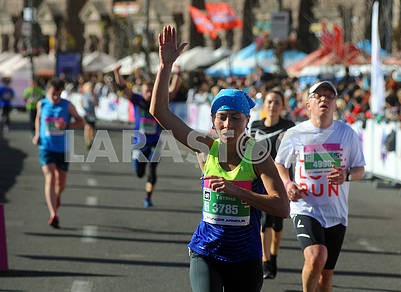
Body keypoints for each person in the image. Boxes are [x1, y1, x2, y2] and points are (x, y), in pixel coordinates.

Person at [150, 25, 289, 292]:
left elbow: (282, 207)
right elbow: (159, 111)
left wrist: (237, 192)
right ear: (213, 120)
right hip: (206, 251)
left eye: (235, 118)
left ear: (246, 121)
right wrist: (165, 65)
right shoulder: (204, 147)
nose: (228, 123)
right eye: (221, 117)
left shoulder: (258, 155)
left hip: (246, 257)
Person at [275, 81, 365, 292]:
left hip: (336, 212)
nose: (324, 99)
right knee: (316, 257)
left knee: (325, 275)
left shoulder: (347, 134)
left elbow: (360, 169)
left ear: (335, 104)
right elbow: (280, 163)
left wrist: (347, 175)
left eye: (329, 96)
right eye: (318, 96)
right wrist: (288, 183)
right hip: (306, 207)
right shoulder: (296, 134)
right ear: (308, 105)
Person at [250, 90, 295, 279]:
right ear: (264, 104)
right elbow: (249, 151)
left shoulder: (289, 127)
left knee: (277, 224)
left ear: (282, 106)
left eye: (277, 102)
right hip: (261, 180)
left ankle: (274, 255)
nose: (272, 106)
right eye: (269, 102)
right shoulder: (255, 125)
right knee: (264, 222)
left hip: (283, 179)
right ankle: (265, 260)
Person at [32, 78, 84, 228]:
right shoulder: (42, 104)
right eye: (53, 93)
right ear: (48, 91)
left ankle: (57, 195)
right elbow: (38, 119)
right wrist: (37, 134)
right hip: (46, 148)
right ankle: (53, 213)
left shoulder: (67, 106)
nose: (56, 97)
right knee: (50, 176)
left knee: (61, 182)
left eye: (59, 94)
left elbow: (82, 122)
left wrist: (66, 125)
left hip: (63, 149)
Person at [113, 65, 163, 208]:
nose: (149, 93)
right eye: (147, 91)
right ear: (142, 92)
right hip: (139, 143)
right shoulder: (138, 100)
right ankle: (140, 172)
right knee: (139, 173)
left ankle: (148, 197)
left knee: (152, 171)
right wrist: (117, 73)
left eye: (151, 91)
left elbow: (173, 90)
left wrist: (177, 73)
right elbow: (123, 88)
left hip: (155, 143)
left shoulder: (159, 103)